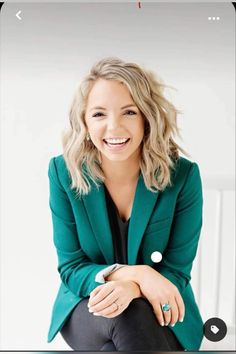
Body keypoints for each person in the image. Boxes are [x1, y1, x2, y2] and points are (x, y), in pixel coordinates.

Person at [47, 57, 204, 351]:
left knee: (127, 325)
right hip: (89, 306)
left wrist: (131, 288)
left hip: (163, 311)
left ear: (147, 117)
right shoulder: (63, 173)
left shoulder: (183, 176)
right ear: (84, 121)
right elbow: (71, 268)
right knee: (127, 314)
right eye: (98, 114)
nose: (113, 127)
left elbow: (176, 270)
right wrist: (137, 273)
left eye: (129, 112)